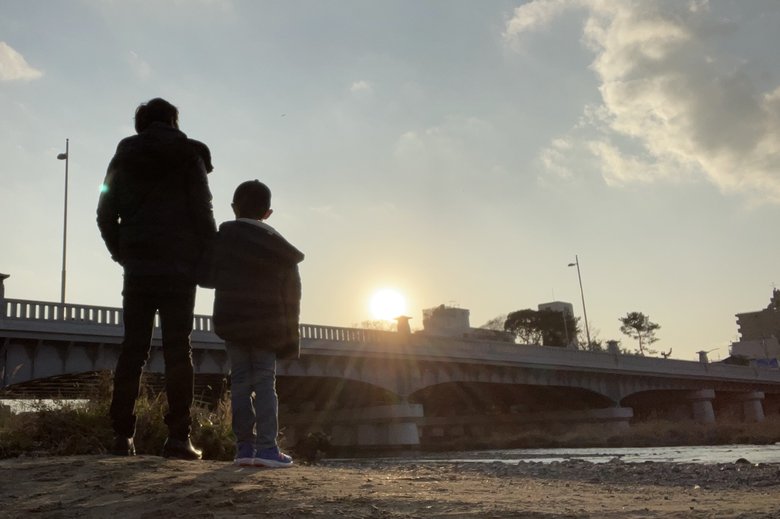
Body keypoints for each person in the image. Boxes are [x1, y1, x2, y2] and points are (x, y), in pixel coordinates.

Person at [97, 98, 217, 459]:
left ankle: (122, 437)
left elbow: (105, 211)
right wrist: (209, 257)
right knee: (179, 349)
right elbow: (203, 211)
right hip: (180, 266)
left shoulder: (124, 154)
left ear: (142, 123)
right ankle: (178, 438)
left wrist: (122, 252)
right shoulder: (189, 153)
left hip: (138, 266)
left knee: (133, 350)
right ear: (173, 121)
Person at [209, 180, 304, 468]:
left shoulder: (222, 239)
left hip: (233, 323)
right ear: (268, 213)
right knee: (264, 383)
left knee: (239, 381)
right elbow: (292, 297)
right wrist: (291, 338)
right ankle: (267, 448)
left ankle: (244, 448)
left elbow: (207, 276)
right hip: (267, 327)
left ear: (234, 208)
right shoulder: (280, 251)